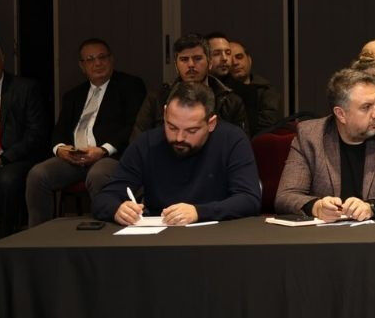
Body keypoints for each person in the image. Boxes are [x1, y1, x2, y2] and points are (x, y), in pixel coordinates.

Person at [93, 82, 261, 225]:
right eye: (172, 127)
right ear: (165, 113)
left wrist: (199, 212)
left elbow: (249, 199)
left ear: (211, 123)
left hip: (216, 233)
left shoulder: (232, 140)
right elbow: (105, 198)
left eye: (191, 130)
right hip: (160, 233)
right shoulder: (146, 143)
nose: (179, 138)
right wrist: (117, 209)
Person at [25, 38, 147, 227]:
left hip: (110, 157)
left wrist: (103, 150)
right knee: (38, 174)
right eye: (90, 59)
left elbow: (133, 127)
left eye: (102, 57)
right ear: (82, 66)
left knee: (98, 174)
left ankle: (107, 234)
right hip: (75, 158)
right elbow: (60, 129)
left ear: (111, 59)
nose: (97, 63)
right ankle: (39, 234)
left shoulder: (131, 86)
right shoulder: (73, 95)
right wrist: (60, 149)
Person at [275, 69, 375, 220]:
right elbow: (285, 196)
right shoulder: (310, 137)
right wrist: (316, 207)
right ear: (341, 114)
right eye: (366, 107)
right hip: (325, 232)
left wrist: (371, 207)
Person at [0, 36, 51, 237]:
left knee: (6, 181)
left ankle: (6, 237)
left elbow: (36, 134)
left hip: (12, 159)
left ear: (3, 59)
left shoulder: (25, 88)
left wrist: (1, 159)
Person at [133, 33, 249, 140]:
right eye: (184, 59)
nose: (191, 65)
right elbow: (138, 142)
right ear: (176, 65)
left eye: (197, 58)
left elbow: (241, 144)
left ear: (210, 63)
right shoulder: (157, 99)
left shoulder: (231, 102)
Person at [227, 40, 284, 135]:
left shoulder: (266, 89)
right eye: (230, 59)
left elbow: (268, 125)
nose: (235, 62)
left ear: (249, 60)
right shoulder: (222, 91)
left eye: (239, 57)